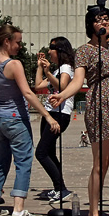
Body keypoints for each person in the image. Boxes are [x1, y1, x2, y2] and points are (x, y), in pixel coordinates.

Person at [50, 2, 109, 216]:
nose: (104, 22)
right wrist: (62, 95)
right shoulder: (85, 51)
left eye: (106, 19)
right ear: (90, 25)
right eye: (99, 19)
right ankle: (94, 211)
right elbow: (78, 81)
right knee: (102, 163)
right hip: (101, 104)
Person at [0, 23, 60, 216]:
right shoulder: (14, 64)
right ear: (7, 41)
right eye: (18, 42)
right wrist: (47, 116)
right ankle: (19, 209)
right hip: (16, 119)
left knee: (0, 162)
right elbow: (28, 93)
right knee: (23, 162)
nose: (20, 46)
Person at [33, 37, 76, 203]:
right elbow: (38, 86)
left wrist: (48, 73)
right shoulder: (58, 69)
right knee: (49, 153)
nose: (49, 51)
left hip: (60, 114)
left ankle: (61, 189)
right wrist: (40, 67)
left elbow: (62, 87)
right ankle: (60, 188)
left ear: (60, 50)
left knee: (41, 152)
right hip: (50, 113)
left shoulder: (66, 67)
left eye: (52, 48)